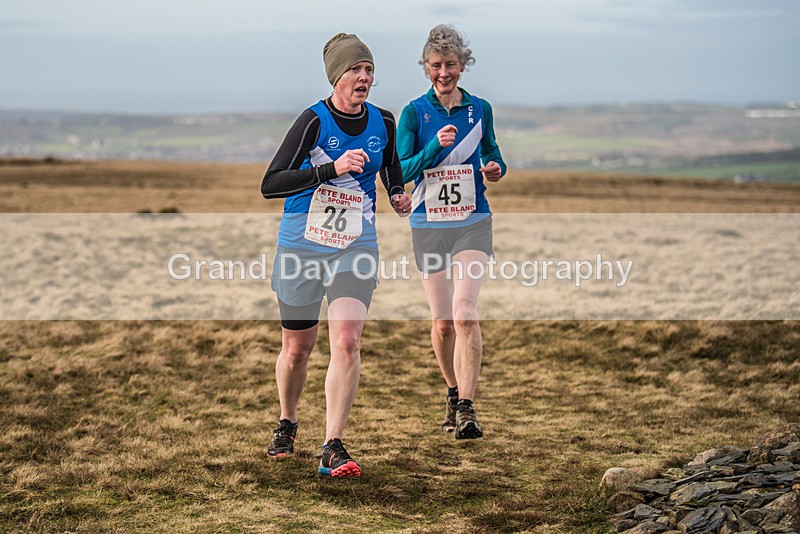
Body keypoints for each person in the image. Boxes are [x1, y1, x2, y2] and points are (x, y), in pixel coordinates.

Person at [260, 33, 411, 477]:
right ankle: (287, 422)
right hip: (302, 245)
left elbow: (391, 165)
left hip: (355, 246)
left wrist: (397, 192)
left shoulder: (383, 121)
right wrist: (331, 169)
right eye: (355, 69)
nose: (364, 77)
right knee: (297, 349)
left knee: (346, 340)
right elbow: (271, 183)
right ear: (336, 76)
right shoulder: (313, 120)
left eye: (369, 70)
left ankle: (332, 447)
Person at [397, 24, 506, 439]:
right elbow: (402, 169)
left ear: (463, 65)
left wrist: (496, 168)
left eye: (451, 64)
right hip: (429, 224)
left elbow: (492, 151)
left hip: (473, 222)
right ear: (426, 68)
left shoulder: (480, 109)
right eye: (436, 65)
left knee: (464, 312)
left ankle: (467, 409)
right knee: (443, 323)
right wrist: (435, 148)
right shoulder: (413, 113)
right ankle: (452, 390)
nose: (444, 72)